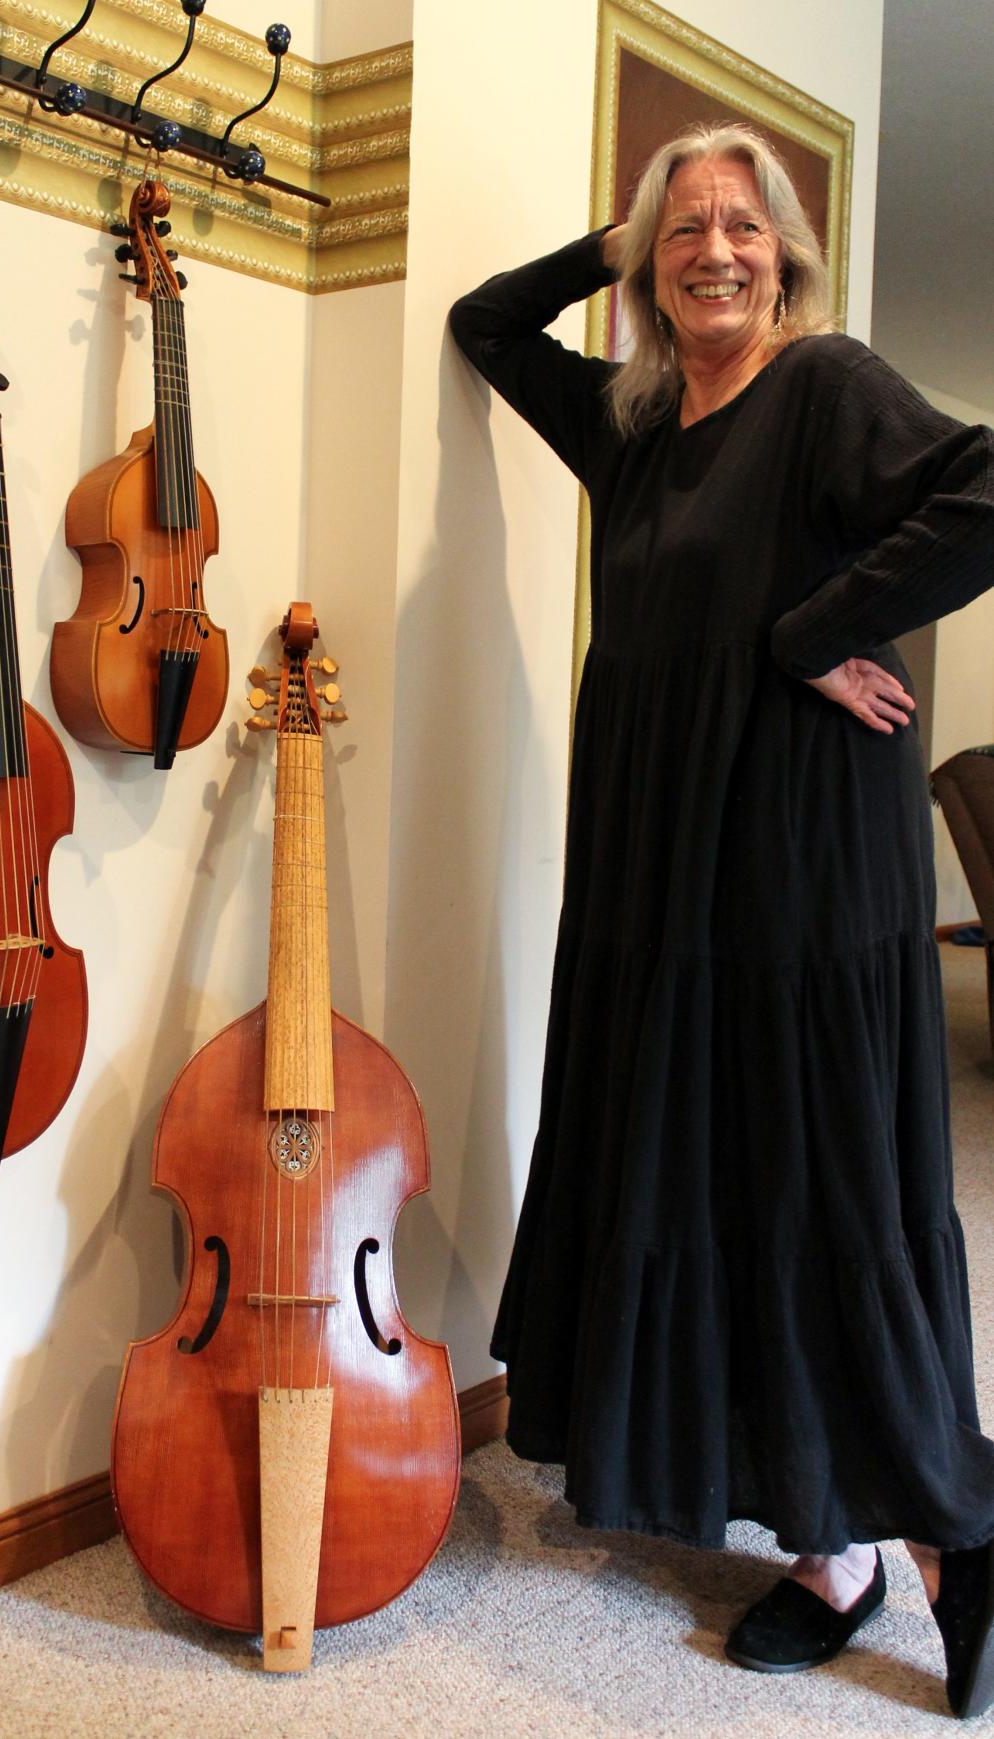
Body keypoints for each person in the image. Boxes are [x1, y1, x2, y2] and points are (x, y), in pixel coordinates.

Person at [449, 122, 994, 1717]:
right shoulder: (628, 424)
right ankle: (828, 1550)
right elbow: (487, 325)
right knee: (713, 1179)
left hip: (804, 872)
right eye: (682, 228)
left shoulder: (824, 387)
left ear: (787, 252)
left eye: (740, 226)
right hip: (658, 878)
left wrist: (812, 628)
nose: (712, 251)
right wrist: (608, 241)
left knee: (824, 1195)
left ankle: (954, 1524)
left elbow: (980, 486)